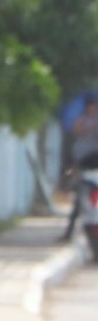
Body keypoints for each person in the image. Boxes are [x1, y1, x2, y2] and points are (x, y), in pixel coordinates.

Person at [62, 97, 98, 241]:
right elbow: (75, 130)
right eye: (90, 106)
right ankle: (69, 232)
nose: (92, 109)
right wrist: (84, 128)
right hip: (83, 162)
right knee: (79, 199)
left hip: (95, 162)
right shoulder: (81, 119)